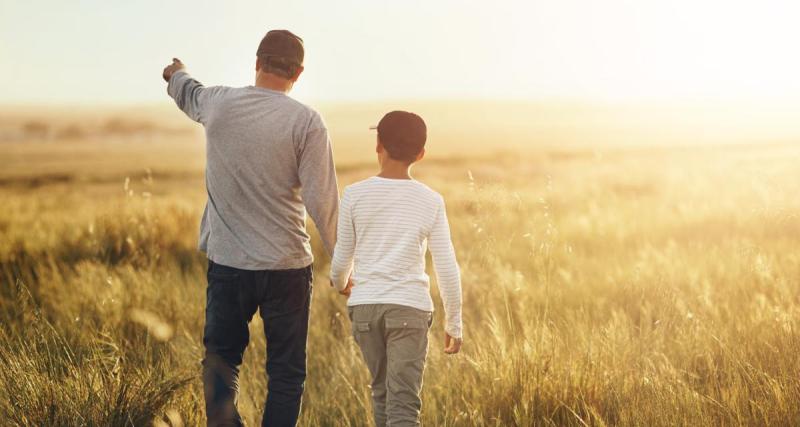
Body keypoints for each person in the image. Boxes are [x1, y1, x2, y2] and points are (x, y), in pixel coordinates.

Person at [162, 30, 339, 427]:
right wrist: (344, 267)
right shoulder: (307, 122)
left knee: (221, 363)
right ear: (299, 72)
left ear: (257, 62)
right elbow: (322, 201)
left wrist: (176, 72)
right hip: (288, 268)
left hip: (229, 266)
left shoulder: (218, 103)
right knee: (286, 374)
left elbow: (187, 90)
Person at [329, 111, 463, 427]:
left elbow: (340, 263)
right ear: (420, 154)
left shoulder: (354, 195)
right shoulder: (431, 200)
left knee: (382, 395)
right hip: (410, 309)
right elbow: (447, 267)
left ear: (378, 145)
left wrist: (341, 283)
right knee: (403, 406)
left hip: (364, 309)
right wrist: (454, 322)